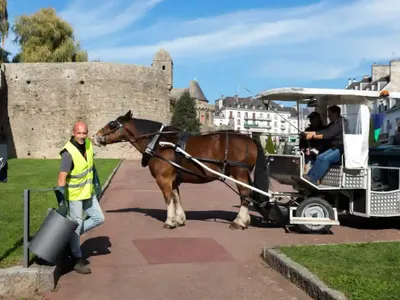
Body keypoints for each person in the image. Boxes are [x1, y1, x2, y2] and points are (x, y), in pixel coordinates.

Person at [56, 121, 104, 274]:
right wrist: (61, 199)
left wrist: (96, 185)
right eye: (79, 133)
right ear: (73, 133)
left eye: (84, 133)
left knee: (99, 218)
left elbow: (90, 166)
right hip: (75, 195)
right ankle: (76, 259)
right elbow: (62, 176)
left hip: (88, 193)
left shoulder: (89, 144)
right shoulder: (68, 153)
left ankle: (71, 237)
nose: (82, 136)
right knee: (76, 224)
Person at [302, 105, 343, 184]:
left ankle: (313, 178)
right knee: (320, 157)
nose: (328, 116)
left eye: (329, 114)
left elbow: (328, 135)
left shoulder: (341, 123)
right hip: (334, 148)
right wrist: (306, 133)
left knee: (326, 159)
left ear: (335, 113)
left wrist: (312, 136)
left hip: (340, 149)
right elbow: (323, 131)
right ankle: (309, 176)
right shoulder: (332, 124)